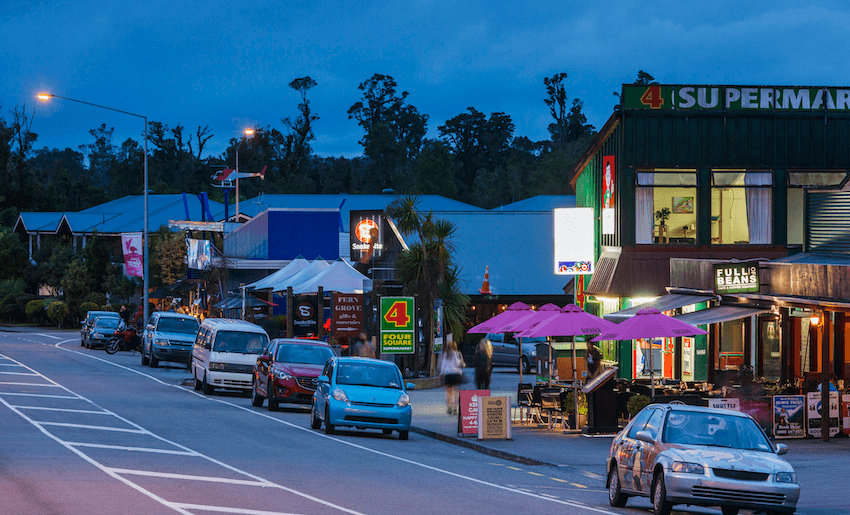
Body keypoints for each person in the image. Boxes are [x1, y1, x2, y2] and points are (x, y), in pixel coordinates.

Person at [439, 338, 464, 414]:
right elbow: (458, 363)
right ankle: (455, 407)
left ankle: (449, 407)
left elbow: (443, 366)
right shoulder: (457, 354)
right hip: (456, 374)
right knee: (456, 392)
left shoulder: (446, 355)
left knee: (448, 392)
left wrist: (441, 374)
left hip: (448, 375)